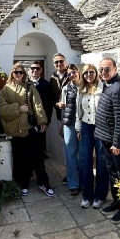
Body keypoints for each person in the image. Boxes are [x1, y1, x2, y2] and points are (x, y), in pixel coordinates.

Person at [0, 62, 55, 198]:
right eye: (16, 72)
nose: (18, 75)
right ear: (12, 73)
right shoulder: (6, 90)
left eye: (20, 72)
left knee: (38, 157)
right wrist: (18, 108)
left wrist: (42, 121)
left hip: (29, 128)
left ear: (24, 74)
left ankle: (44, 183)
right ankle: (23, 184)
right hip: (15, 130)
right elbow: (2, 109)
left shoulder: (30, 87)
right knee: (20, 159)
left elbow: (38, 105)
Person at [95, 58, 120, 224]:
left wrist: (117, 143)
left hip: (115, 142)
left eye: (107, 69)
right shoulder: (108, 85)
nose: (103, 72)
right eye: (101, 69)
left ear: (115, 70)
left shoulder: (118, 89)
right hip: (106, 138)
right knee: (112, 173)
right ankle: (117, 202)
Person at [76, 64, 109, 209]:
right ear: (83, 75)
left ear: (95, 73)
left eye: (91, 72)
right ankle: (87, 195)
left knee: (101, 160)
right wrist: (78, 129)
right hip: (86, 127)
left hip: (101, 127)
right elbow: (78, 112)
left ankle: (100, 195)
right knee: (86, 161)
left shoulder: (103, 88)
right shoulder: (81, 90)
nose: (88, 75)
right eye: (86, 73)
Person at [49, 52, 70, 185]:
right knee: (64, 145)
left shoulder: (72, 74)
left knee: (75, 145)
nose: (59, 64)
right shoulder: (52, 78)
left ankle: (78, 171)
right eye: (56, 62)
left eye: (61, 61)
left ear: (65, 61)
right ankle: (69, 172)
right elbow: (51, 97)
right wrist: (56, 104)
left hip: (73, 116)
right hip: (59, 116)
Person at [61, 64, 81, 195]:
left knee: (83, 154)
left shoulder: (86, 87)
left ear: (78, 72)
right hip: (69, 123)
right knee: (70, 153)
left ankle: (84, 181)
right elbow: (63, 108)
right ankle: (73, 183)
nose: (72, 75)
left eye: (73, 72)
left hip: (84, 123)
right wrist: (61, 127)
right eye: (69, 74)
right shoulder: (65, 89)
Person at [29, 60, 53, 158]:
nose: (35, 70)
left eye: (37, 68)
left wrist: (47, 122)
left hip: (41, 119)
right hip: (28, 119)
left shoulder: (46, 84)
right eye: (33, 68)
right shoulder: (25, 83)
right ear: (30, 70)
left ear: (41, 70)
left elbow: (49, 105)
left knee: (39, 143)